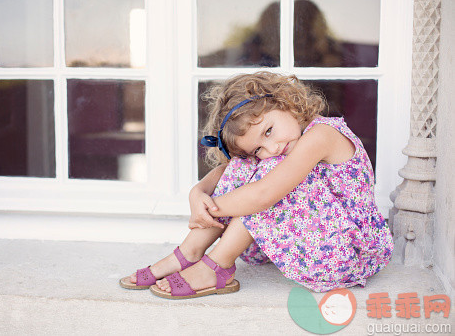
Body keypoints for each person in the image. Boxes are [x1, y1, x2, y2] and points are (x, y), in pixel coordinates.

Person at [120, 71, 393, 298]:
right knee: (247, 164)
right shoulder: (280, 146)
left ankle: (217, 265)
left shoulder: (322, 134)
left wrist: (208, 209)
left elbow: (264, 194)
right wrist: (198, 192)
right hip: (312, 241)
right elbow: (229, 170)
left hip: (347, 252)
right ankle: (189, 252)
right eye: (259, 147)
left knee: (270, 175)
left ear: (285, 102)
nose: (272, 146)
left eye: (269, 130)